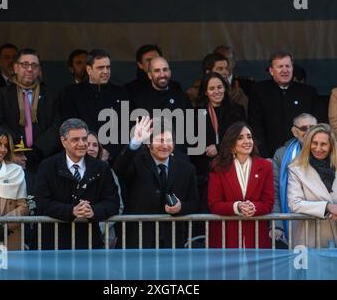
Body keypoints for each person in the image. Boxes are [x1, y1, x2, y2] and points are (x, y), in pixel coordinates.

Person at [33, 118, 120, 249]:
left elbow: (113, 202)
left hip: (88, 243)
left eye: (84, 139)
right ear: (63, 141)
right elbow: (42, 202)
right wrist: (71, 211)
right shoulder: (48, 166)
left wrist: (94, 211)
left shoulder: (102, 168)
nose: (82, 144)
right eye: (75, 139)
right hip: (52, 244)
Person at [114, 116, 199, 248]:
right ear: (148, 144)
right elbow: (120, 169)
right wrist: (135, 142)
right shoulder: (136, 162)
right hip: (139, 239)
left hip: (171, 240)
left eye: (169, 141)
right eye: (160, 140)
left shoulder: (186, 168)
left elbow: (194, 203)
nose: (165, 145)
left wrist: (181, 207)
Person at [287, 124, 337, 248]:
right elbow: (294, 203)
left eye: (323, 144)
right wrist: (328, 207)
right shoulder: (296, 168)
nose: (318, 148)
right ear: (308, 144)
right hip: (308, 239)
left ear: (331, 146)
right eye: (314, 143)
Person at [0, 48, 61, 172]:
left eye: (34, 65)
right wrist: (17, 148)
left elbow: (57, 125)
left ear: (39, 70)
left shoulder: (52, 95)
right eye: (25, 65)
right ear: (15, 67)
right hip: (11, 157)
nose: (29, 69)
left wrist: (38, 150)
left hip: (45, 158)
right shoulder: (1, 94)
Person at [208, 121, 274, 248]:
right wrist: (237, 207)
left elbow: (268, 202)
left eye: (249, 137)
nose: (247, 141)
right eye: (240, 138)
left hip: (256, 236)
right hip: (226, 236)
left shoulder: (265, 166)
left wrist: (253, 207)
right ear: (231, 143)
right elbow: (214, 204)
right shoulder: (218, 167)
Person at [60, 49, 129, 163]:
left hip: (113, 159)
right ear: (89, 69)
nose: (106, 71)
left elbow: (125, 126)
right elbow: (69, 124)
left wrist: (109, 151)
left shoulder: (121, 93)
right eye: (100, 68)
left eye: (108, 67)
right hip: (81, 155)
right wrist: (86, 148)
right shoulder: (72, 93)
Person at [248, 51, 322, 158]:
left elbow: (318, 125)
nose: (285, 70)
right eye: (280, 66)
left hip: (304, 154)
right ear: (271, 71)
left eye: (288, 66)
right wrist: (264, 156)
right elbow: (256, 126)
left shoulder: (308, 92)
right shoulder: (259, 91)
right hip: (270, 155)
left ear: (293, 69)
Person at [190, 72, 246, 213]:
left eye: (220, 87)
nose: (217, 91)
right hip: (206, 172)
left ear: (225, 88)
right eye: (212, 88)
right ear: (205, 92)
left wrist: (219, 147)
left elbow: (243, 138)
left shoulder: (237, 110)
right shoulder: (196, 113)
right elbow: (190, 144)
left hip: (232, 167)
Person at [271, 113, 317, 244]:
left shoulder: (328, 152)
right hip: (292, 222)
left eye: (312, 127)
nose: (308, 132)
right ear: (294, 131)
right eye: (303, 128)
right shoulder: (282, 154)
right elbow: (275, 192)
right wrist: (277, 224)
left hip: (322, 221)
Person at [87, 131, 123, 248]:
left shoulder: (108, 172)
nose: (91, 148)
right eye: (87, 144)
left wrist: (96, 230)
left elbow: (118, 206)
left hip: (103, 239)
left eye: (95, 145)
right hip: (73, 237)